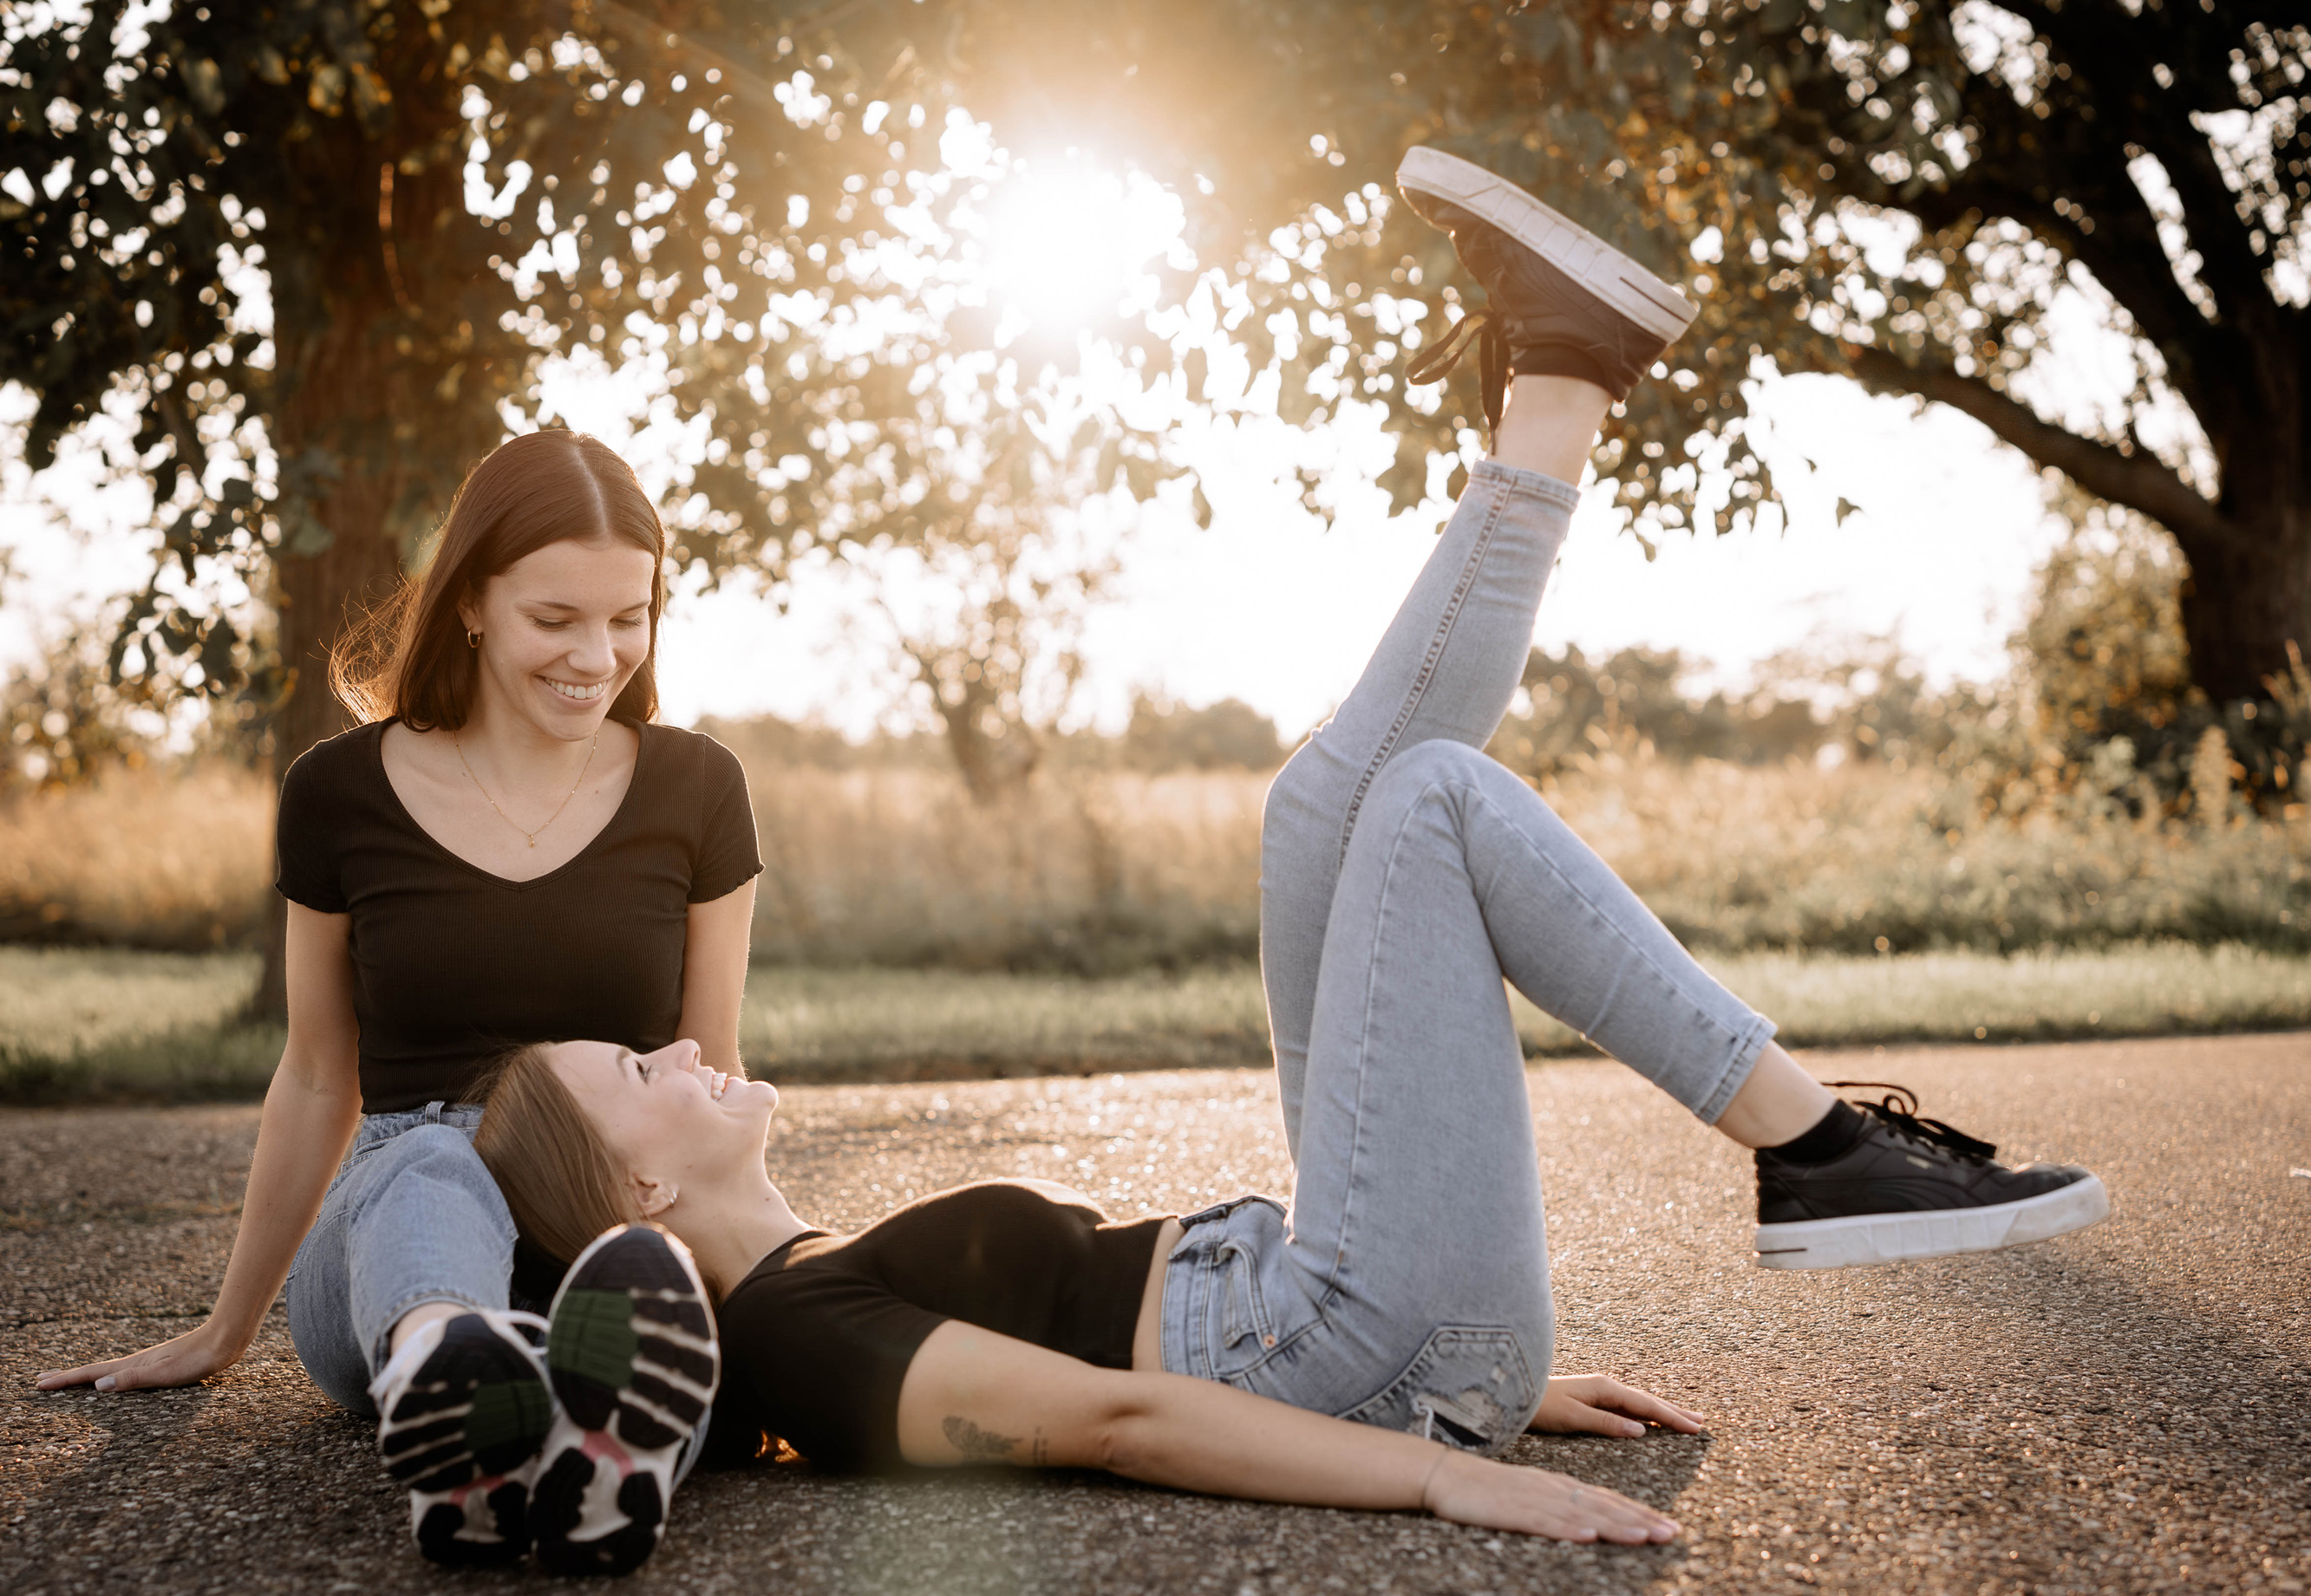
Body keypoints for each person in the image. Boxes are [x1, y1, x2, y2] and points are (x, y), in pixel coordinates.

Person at [467, 146, 2110, 1548]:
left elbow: (1133, 1359)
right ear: (642, 1187)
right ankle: (1818, 1145)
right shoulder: (795, 1339)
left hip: (1346, 1309)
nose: (679, 1042)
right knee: (1429, 797)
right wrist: (1441, 1461)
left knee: (1318, 807)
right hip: (1346, 1343)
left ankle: (1563, 372)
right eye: (635, 1067)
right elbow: (1116, 1420)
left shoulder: (813, 1275)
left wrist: (1489, 1379)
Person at [33, 429, 761, 1573]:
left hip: (600, 1225)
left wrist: (757, 1287)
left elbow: (708, 1066)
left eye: (631, 616)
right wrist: (226, 1328)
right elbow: (317, 1075)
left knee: (656, 1323)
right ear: (471, 602)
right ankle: (449, 1371)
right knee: (433, 1159)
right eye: (555, 618)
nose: (598, 655)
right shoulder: (337, 793)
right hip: (391, 1234)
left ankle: (543, 1449)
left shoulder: (697, 787)